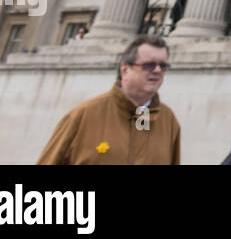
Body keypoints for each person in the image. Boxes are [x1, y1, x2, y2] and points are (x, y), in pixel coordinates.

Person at [37, 35, 181, 164]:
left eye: (163, 66)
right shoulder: (83, 115)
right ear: (125, 70)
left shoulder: (169, 121)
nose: (157, 70)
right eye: (148, 65)